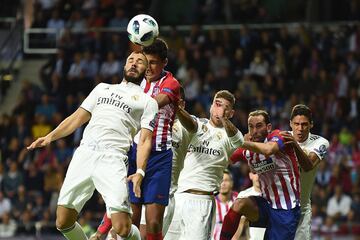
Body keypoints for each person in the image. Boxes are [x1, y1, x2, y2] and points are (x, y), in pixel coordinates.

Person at [27, 51, 159, 240]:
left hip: (112, 158)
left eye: (139, 62)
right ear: (124, 66)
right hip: (85, 154)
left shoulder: (148, 102)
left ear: (146, 70)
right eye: (130, 59)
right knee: (62, 222)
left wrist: (140, 171)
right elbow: (77, 118)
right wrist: (50, 137)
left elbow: (145, 139)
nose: (133, 63)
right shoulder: (102, 88)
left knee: (122, 228)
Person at [92, 38, 181, 240]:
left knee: (154, 222)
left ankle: (100, 233)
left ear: (164, 62)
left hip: (160, 158)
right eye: (145, 62)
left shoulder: (171, 84)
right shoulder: (135, 82)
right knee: (130, 218)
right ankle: (101, 232)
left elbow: (153, 104)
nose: (148, 68)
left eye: (154, 63)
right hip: (134, 154)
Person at [168, 90, 245, 239]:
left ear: (231, 113)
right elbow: (190, 124)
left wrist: (223, 119)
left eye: (226, 108)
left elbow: (239, 142)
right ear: (210, 107)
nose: (220, 110)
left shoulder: (231, 136)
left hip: (202, 200)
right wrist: (177, 108)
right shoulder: (196, 125)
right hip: (177, 197)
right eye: (217, 105)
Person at [220, 110, 300, 240]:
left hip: (286, 209)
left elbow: (269, 150)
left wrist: (239, 142)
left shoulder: (278, 135)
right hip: (265, 204)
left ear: (268, 127)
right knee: (239, 204)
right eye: (251, 127)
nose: (254, 131)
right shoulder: (247, 148)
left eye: (258, 126)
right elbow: (225, 159)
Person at [280, 104, 329, 240]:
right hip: (278, 207)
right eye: (296, 124)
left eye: (304, 124)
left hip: (301, 209)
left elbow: (308, 166)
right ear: (290, 124)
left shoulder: (320, 142)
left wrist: (294, 145)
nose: (300, 129)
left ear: (311, 125)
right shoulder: (280, 138)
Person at [212, 169, 239, 240]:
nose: (223, 184)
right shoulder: (212, 202)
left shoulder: (239, 199)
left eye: (226, 180)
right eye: (221, 181)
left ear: (232, 183)